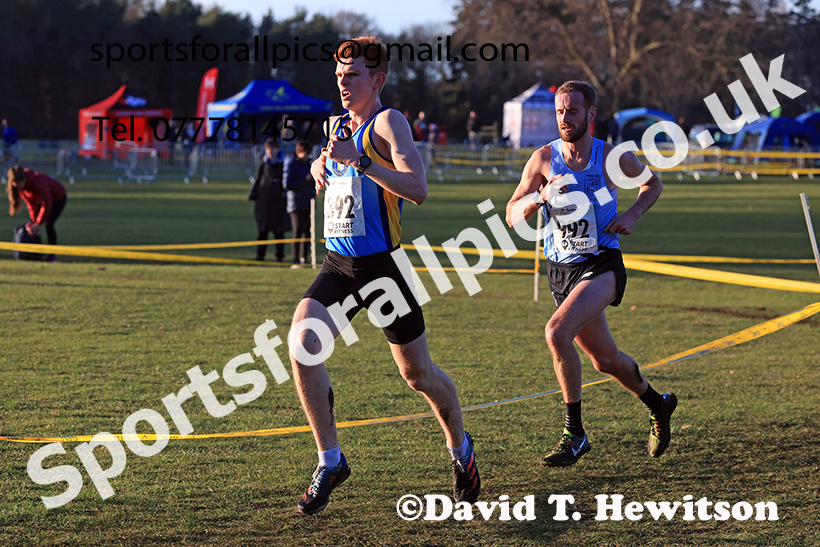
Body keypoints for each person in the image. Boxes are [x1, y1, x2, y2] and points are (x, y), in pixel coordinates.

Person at [292, 35, 480, 515]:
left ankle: (461, 450)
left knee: (417, 375)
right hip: (339, 266)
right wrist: (320, 163)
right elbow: (334, 166)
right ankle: (330, 460)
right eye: (338, 75)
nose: (343, 83)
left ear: (378, 79)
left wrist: (361, 160)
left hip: (383, 271)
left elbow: (417, 189)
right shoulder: (335, 124)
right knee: (301, 344)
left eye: (352, 76)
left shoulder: (389, 122)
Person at [504, 80, 676, 467]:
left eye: (573, 111)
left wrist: (632, 214)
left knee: (555, 332)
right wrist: (538, 197)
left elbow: (653, 183)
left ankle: (575, 433)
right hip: (560, 270)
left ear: (591, 114)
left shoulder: (612, 157)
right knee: (606, 360)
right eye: (560, 111)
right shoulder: (543, 159)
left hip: (601, 264)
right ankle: (658, 404)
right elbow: (512, 216)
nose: (565, 118)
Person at [7, 165, 67, 262]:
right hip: (44, 200)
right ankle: (34, 253)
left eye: (18, 185)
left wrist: (38, 223)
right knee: (32, 225)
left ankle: (52, 255)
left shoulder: (38, 181)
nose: (18, 188)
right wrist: (33, 222)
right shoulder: (23, 188)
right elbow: (31, 205)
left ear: (24, 180)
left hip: (58, 198)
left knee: (49, 224)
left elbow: (47, 203)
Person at [249, 138, 288, 262]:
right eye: (268, 148)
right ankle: (260, 256)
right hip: (264, 205)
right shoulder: (263, 166)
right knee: (262, 232)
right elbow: (257, 183)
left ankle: (280, 256)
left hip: (278, 205)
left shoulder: (282, 166)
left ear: (278, 149)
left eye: (272, 148)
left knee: (279, 232)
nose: (270, 151)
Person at [283, 141, 315, 268]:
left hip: (308, 201)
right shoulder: (290, 163)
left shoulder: (310, 163)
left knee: (307, 230)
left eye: (308, 154)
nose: (306, 156)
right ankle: (295, 259)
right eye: (304, 154)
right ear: (298, 153)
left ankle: (304, 258)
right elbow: (287, 185)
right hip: (295, 202)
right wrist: (305, 179)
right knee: (297, 229)